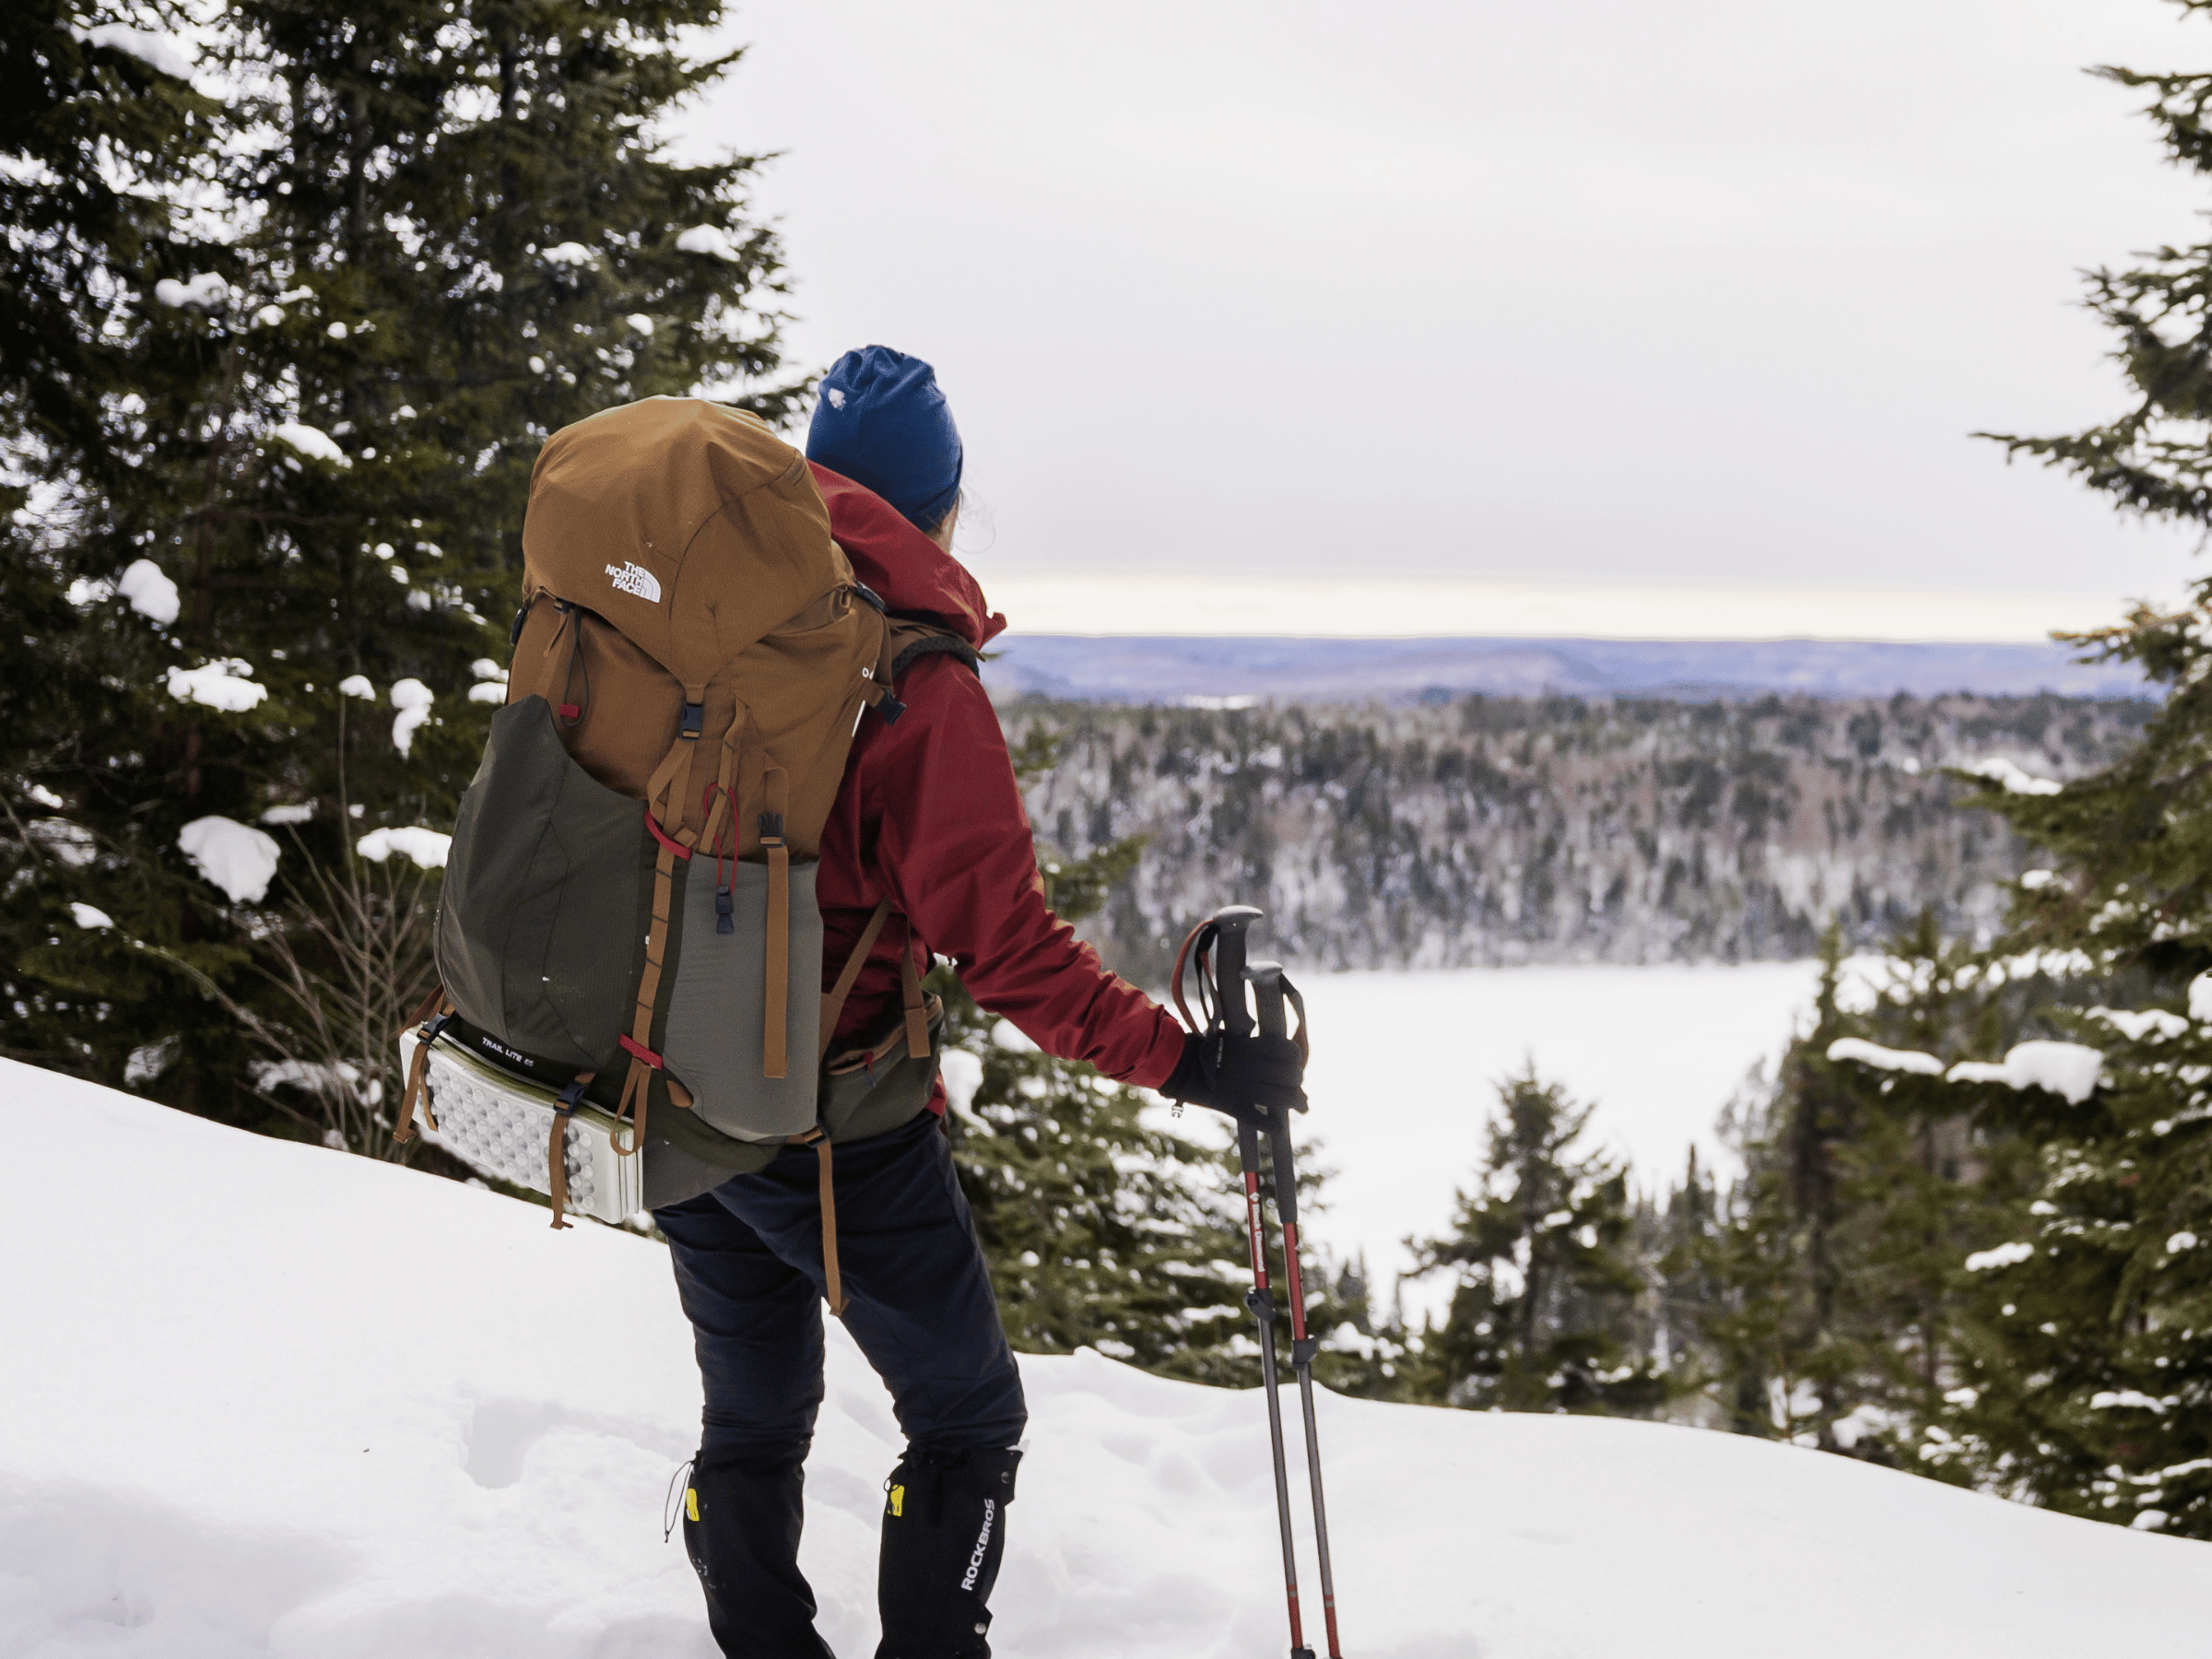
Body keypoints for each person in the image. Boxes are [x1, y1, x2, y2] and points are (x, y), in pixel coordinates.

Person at [651, 345, 1303, 1659]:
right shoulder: (916, 683)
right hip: (835, 1124)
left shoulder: (696, 608)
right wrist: (1187, 1067)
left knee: (753, 1413)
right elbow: (1007, 953)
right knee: (965, 1418)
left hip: (668, 1070)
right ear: (938, 506)